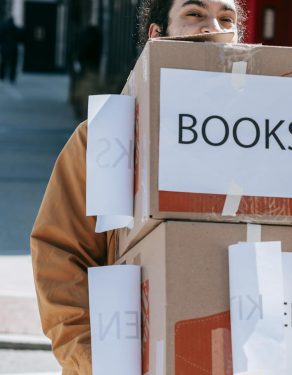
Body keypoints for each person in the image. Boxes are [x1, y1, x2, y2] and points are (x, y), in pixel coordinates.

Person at [30, 0, 244, 372]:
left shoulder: (264, 145)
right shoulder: (105, 140)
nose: (213, 28)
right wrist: (95, 363)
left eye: (227, 18)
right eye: (194, 14)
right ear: (156, 36)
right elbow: (60, 259)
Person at [0, 16, 23, 84]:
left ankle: (2, 76)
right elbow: (20, 38)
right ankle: (12, 78)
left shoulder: (3, 28)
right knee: (13, 64)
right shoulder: (16, 29)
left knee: (3, 63)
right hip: (13, 48)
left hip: (5, 48)